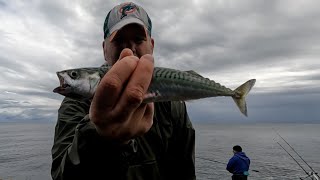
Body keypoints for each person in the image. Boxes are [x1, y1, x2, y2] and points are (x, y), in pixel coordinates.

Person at [51, 2, 196, 180]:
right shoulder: (75, 103)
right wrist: (99, 135)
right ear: (104, 49)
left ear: (151, 45)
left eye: (138, 39)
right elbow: (61, 176)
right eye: (118, 40)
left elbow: (185, 171)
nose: (129, 50)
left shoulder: (174, 106)